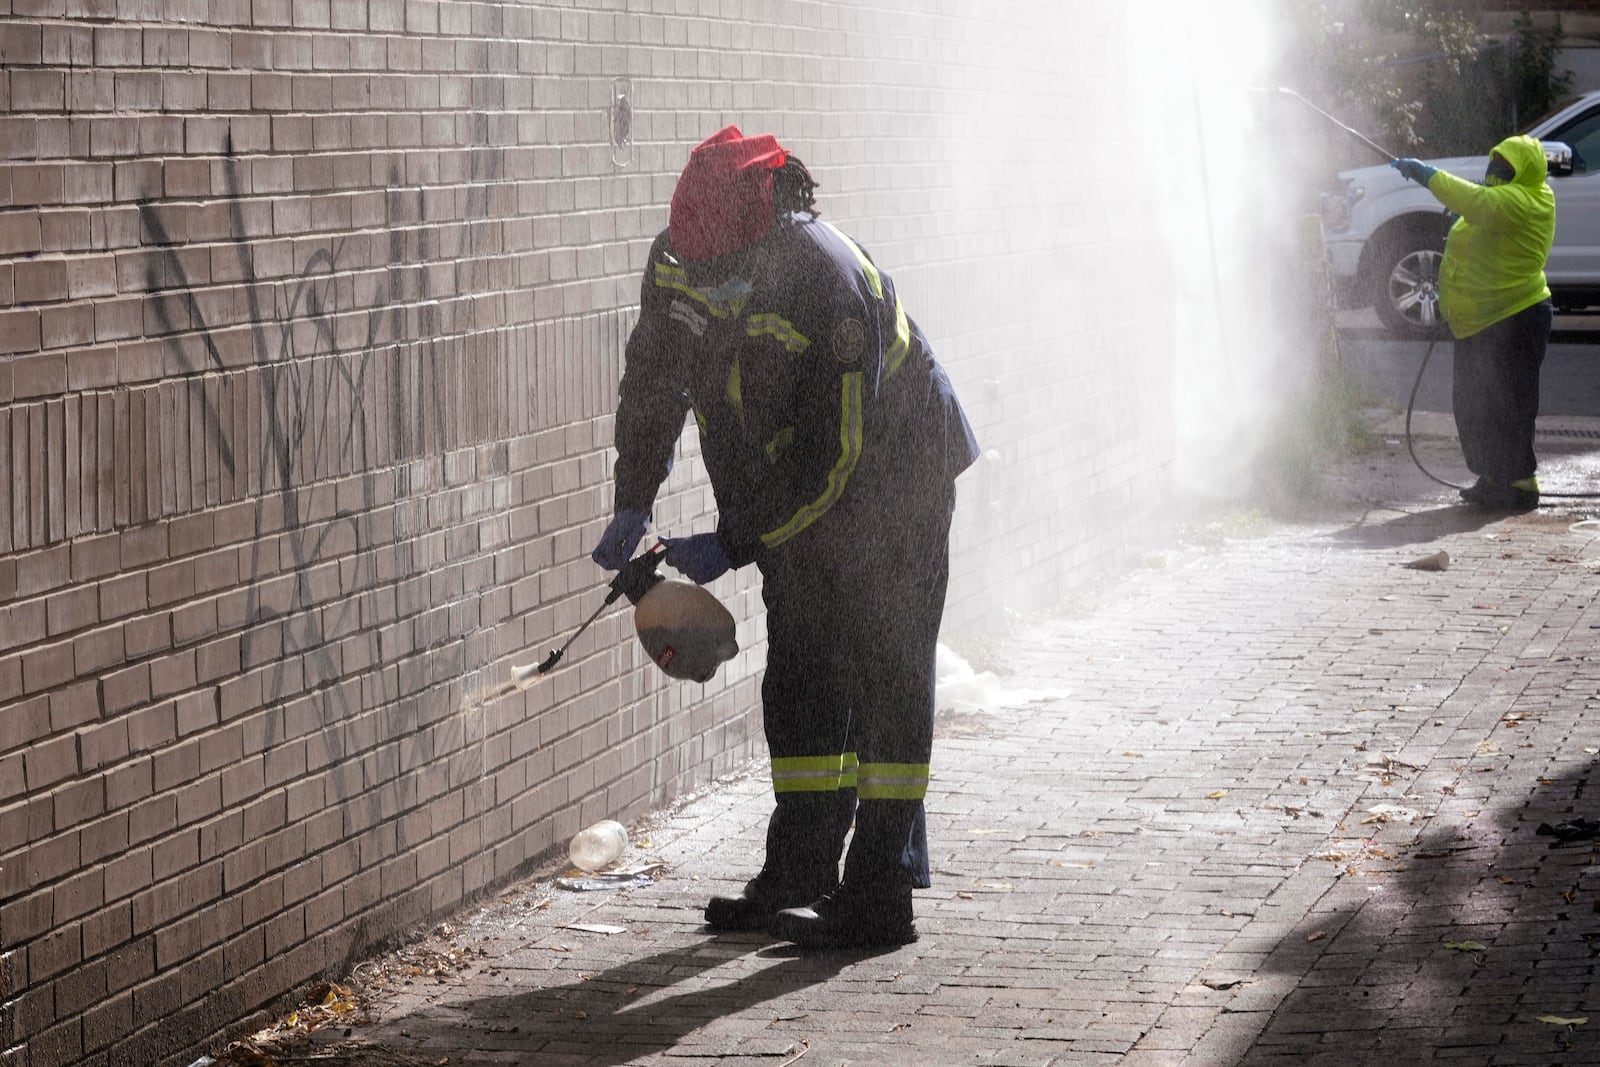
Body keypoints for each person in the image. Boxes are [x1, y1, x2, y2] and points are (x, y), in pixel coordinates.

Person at [590, 126, 980, 949]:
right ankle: (799, 870)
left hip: (895, 482)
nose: (702, 286)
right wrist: (633, 498)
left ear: (761, 232)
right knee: (801, 677)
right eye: (690, 268)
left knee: (885, 676)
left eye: (718, 273)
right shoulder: (679, 260)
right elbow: (653, 382)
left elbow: (833, 456)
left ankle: (881, 894)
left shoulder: (825, 282)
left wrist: (731, 543)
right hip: (792, 494)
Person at [1391, 135, 1556, 511]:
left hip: (1515, 318)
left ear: (1523, 171)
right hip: (1480, 323)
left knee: (1508, 405)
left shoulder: (1530, 200)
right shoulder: (1503, 202)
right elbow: (1480, 212)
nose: (1494, 171)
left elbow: (1480, 202)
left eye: (1504, 166)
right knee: (1473, 405)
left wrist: (1427, 175)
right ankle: (1493, 477)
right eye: (1494, 162)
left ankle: (1520, 485)